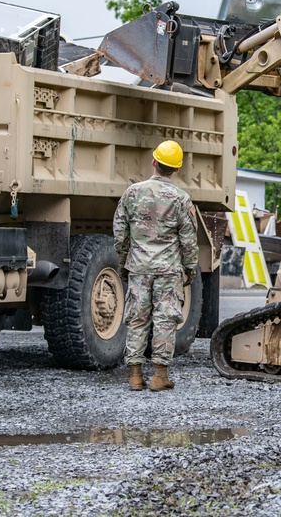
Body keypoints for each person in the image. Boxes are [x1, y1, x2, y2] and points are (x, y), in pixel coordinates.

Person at [113, 140, 198, 392]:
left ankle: (135, 376)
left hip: (138, 267)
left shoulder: (132, 193)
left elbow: (120, 232)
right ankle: (160, 376)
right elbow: (189, 240)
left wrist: (123, 262)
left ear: (153, 161)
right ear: (176, 169)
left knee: (137, 319)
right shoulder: (181, 199)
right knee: (165, 319)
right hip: (168, 271)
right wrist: (190, 268)